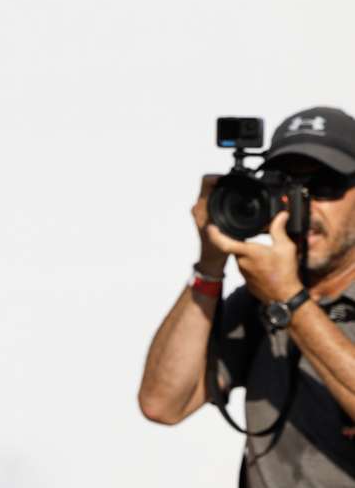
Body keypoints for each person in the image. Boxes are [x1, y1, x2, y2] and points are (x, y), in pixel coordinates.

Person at [139, 106, 355, 486]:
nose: (304, 204)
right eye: (287, 185)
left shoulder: (280, 296)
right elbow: (163, 403)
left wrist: (291, 302)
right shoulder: (263, 298)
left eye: (323, 187)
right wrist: (209, 266)